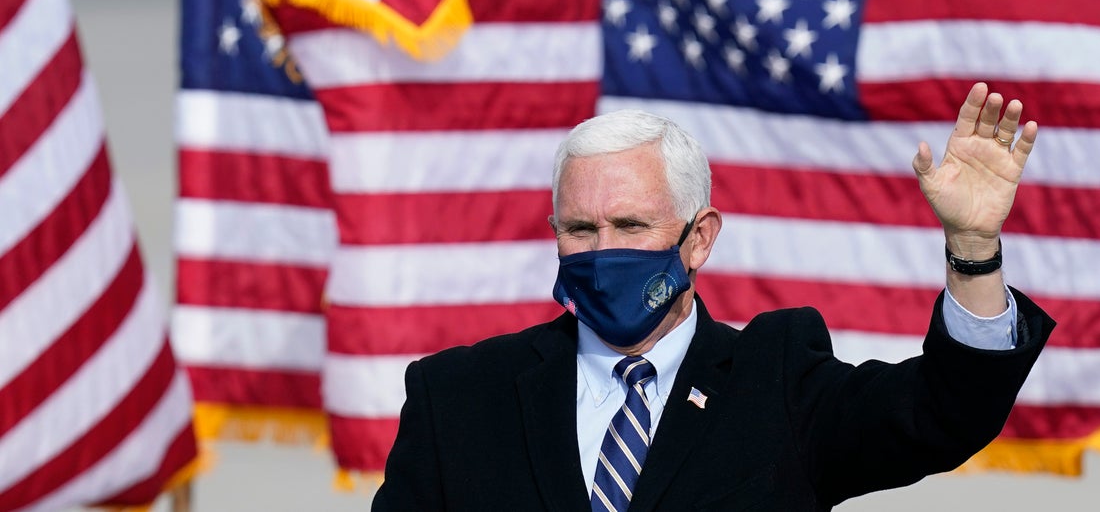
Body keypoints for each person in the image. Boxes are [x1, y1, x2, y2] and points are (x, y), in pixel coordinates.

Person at [371, 82, 1055, 511]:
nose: (604, 247)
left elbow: (945, 414)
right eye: (582, 228)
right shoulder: (459, 395)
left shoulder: (777, 379)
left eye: (632, 225)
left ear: (698, 240)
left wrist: (972, 245)